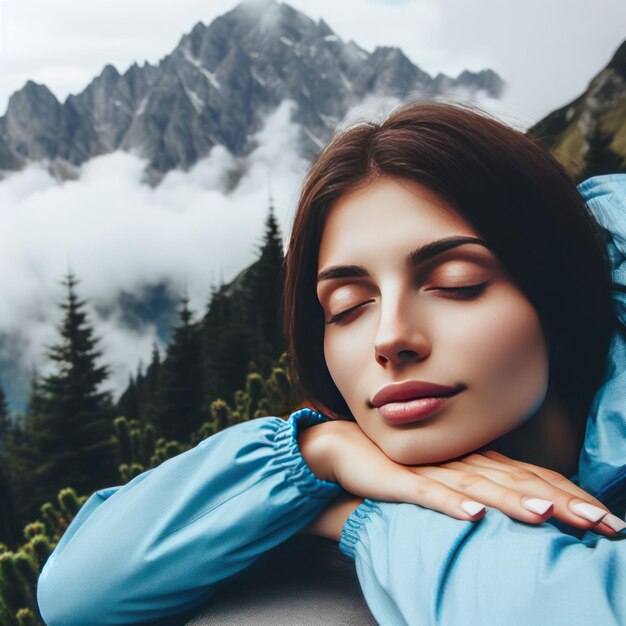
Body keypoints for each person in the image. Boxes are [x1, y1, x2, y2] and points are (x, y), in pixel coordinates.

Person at [36, 101, 626, 626]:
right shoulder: (326, 459)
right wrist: (315, 457)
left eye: (455, 282)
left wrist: (360, 513)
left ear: (560, 300)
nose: (391, 337)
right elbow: (71, 593)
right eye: (347, 307)